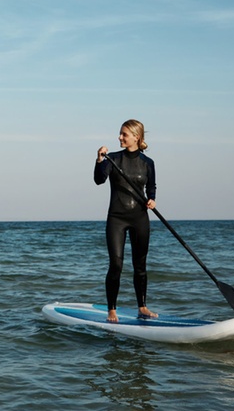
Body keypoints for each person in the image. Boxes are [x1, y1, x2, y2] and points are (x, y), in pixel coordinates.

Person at [94, 119, 158, 323]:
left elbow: (151, 187)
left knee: (140, 265)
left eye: (124, 134)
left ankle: (142, 308)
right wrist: (99, 160)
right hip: (117, 218)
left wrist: (152, 199)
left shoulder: (148, 163)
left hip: (140, 217)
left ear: (136, 137)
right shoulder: (113, 159)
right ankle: (111, 310)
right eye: (120, 133)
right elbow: (99, 180)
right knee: (116, 264)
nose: (120, 137)